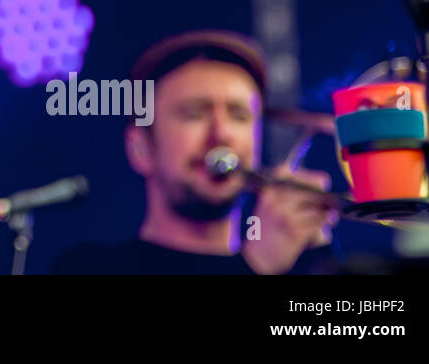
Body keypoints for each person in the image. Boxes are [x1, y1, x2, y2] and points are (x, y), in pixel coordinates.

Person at [49, 30, 338, 274]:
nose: (222, 133)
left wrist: (319, 255)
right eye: (194, 113)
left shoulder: (292, 265)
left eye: (239, 115)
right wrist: (255, 268)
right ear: (141, 148)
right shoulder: (90, 267)